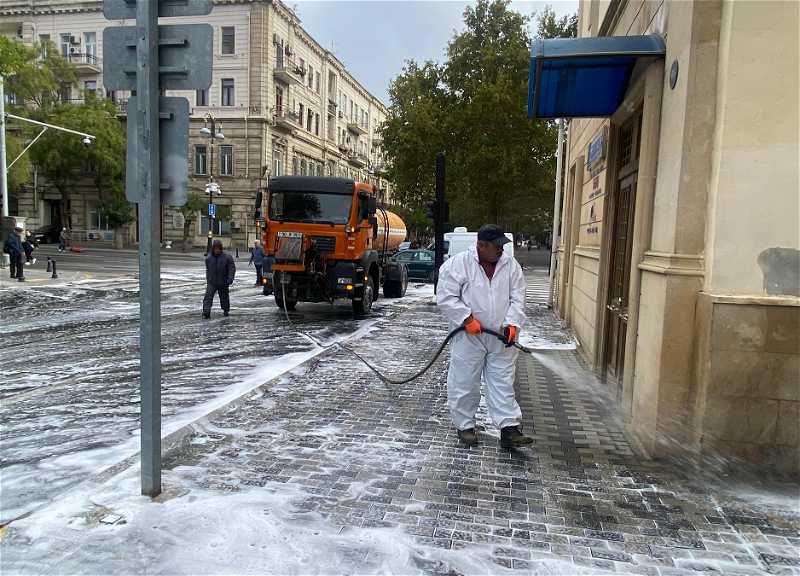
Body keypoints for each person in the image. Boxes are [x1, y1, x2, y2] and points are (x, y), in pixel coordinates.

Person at [437, 224, 532, 449]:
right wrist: (466, 318)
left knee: (503, 382)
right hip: (469, 336)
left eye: (502, 245)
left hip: (501, 336)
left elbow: (518, 298)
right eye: (496, 246)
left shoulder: (510, 266)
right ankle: (465, 426)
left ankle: (509, 428)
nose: (500, 250)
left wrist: (512, 323)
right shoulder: (459, 264)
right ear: (481, 245)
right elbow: (445, 296)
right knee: (465, 380)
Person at [203, 239, 236, 318]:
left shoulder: (227, 257)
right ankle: (206, 311)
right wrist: (208, 279)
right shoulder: (209, 258)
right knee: (208, 297)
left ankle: (226, 310)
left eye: (218, 249)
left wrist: (230, 278)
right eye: (215, 249)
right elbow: (208, 270)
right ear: (213, 249)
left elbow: (231, 268)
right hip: (212, 281)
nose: (217, 250)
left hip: (223, 281)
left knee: (224, 297)